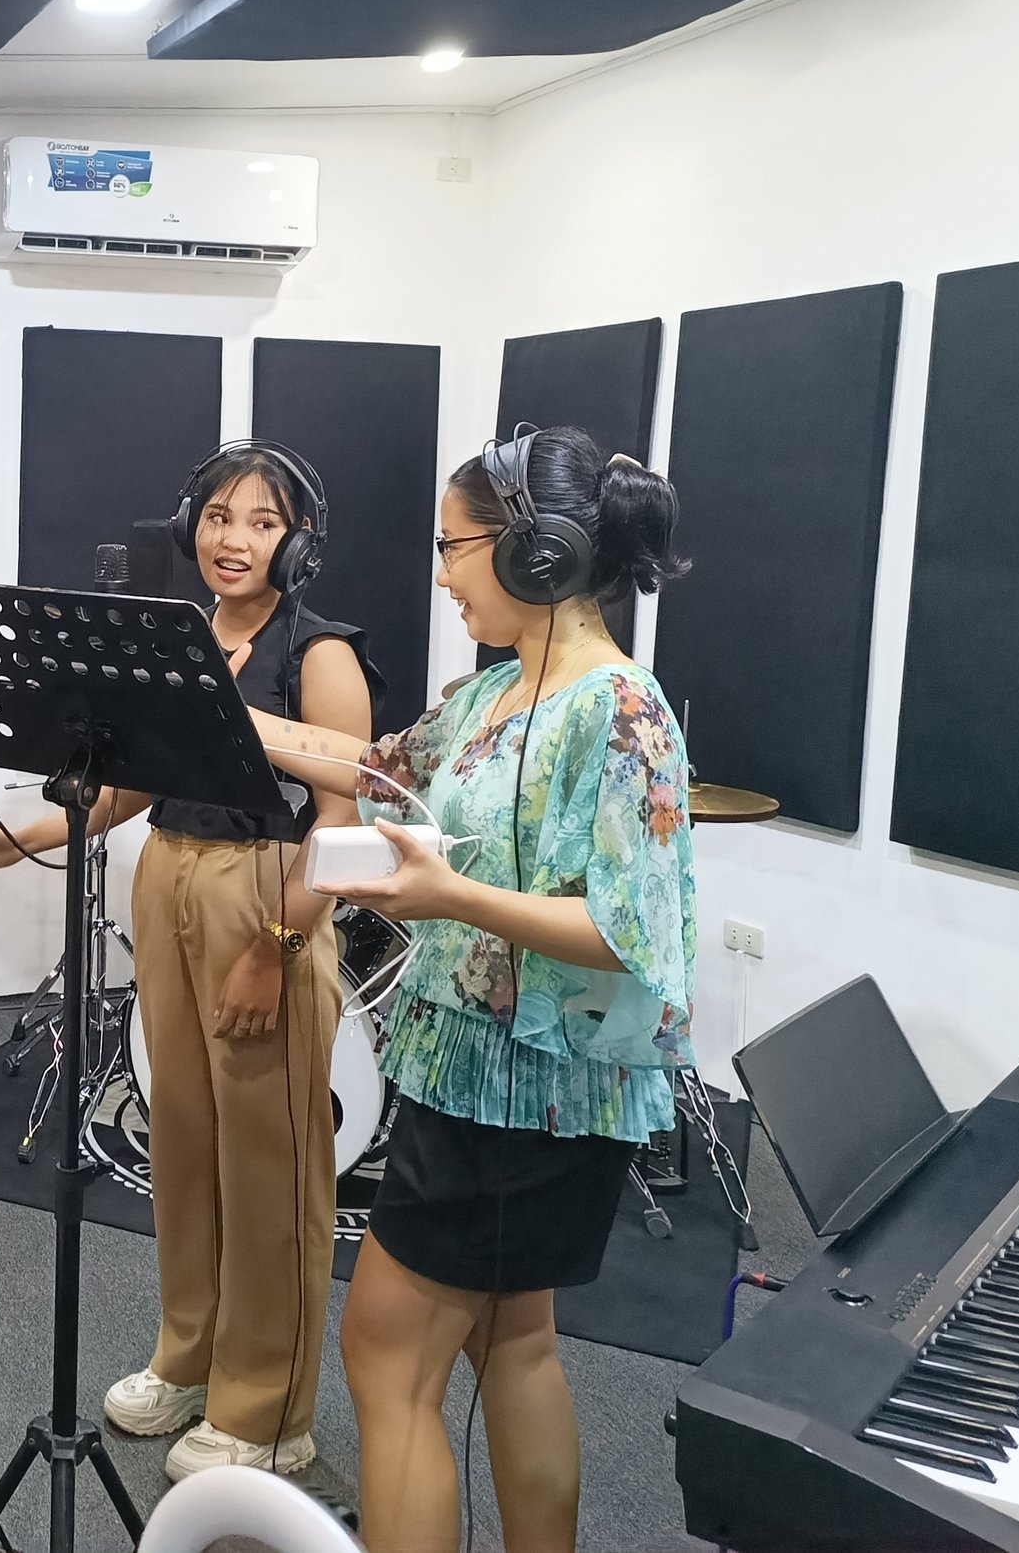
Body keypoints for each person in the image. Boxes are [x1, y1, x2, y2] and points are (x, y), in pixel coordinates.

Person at [242, 425, 695, 1553]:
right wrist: (209, 713)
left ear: (536, 554)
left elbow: (621, 932)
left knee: (386, 1358)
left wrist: (451, 900)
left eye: (453, 548)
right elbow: (371, 767)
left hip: (528, 1093)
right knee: (514, 1342)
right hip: (478, 1076)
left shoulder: (619, 710)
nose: (439, 574)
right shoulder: (491, 694)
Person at [0, 442, 379, 1483]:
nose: (233, 540)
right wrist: (26, 838)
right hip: (169, 881)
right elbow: (131, 784)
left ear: (300, 542)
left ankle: (268, 1409)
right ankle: (192, 1358)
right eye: (219, 516)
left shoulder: (317, 656)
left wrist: (276, 950)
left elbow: (344, 815)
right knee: (182, 1142)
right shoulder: (179, 639)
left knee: (270, 1163)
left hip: (267, 892)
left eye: (262, 523)